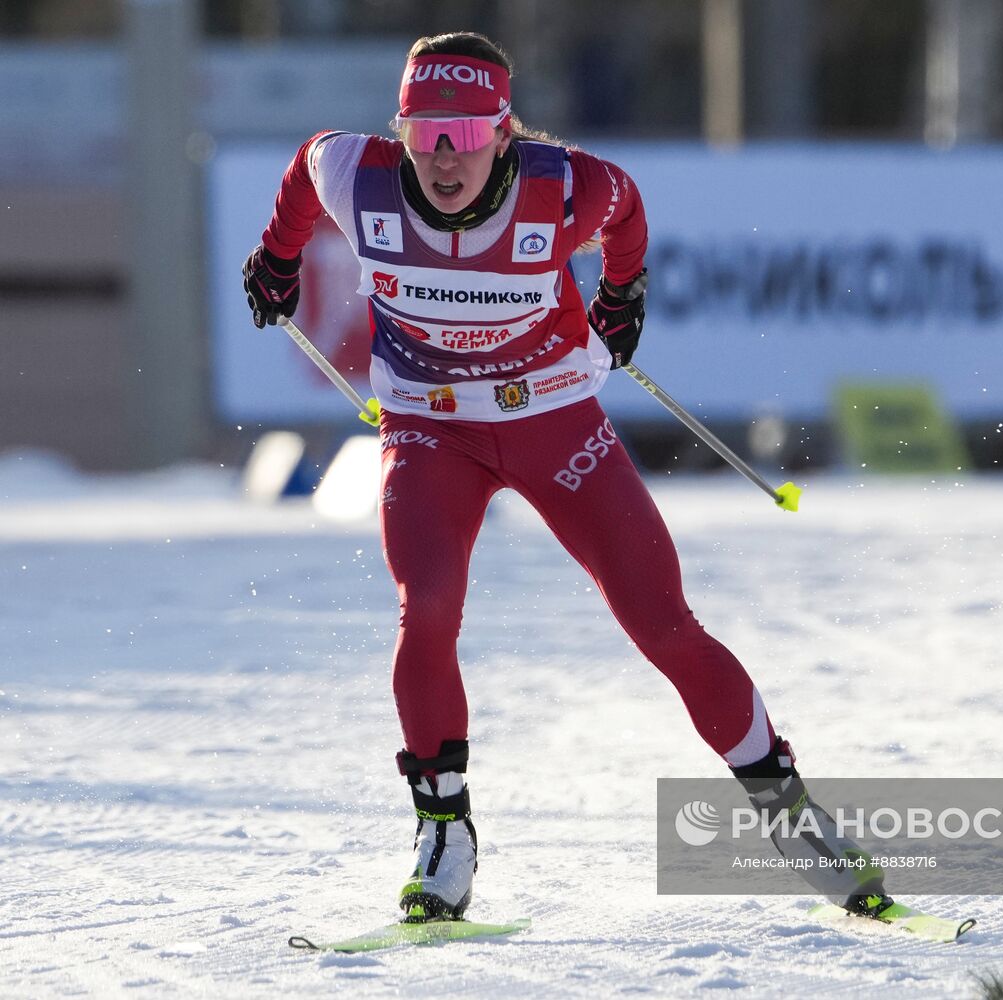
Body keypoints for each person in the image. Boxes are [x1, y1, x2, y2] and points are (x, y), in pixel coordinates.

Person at [243, 31, 897, 924]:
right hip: (431, 431)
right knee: (426, 608)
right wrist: (278, 256)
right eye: (425, 134)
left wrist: (622, 294)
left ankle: (787, 809)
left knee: (662, 623)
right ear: (399, 132)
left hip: (553, 424)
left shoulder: (565, 189)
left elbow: (626, 210)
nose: (443, 159)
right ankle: (445, 835)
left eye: (466, 137)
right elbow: (300, 167)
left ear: (504, 135)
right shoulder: (354, 174)